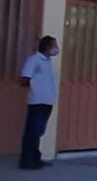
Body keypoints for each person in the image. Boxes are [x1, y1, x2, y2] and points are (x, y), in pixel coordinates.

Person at [19, 36, 59, 170]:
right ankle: (27, 160)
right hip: (37, 101)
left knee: (39, 131)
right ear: (47, 46)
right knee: (32, 131)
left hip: (47, 101)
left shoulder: (47, 61)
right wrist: (35, 89)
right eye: (54, 45)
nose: (56, 48)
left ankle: (35, 158)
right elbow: (24, 79)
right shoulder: (34, 60)